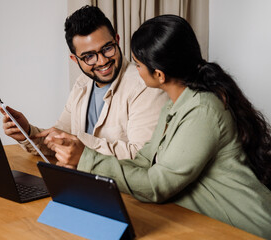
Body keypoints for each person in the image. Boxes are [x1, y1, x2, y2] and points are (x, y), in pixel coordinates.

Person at [47, 15, 271, 238]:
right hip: (204, 222)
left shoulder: (202, 111)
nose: (135, 70)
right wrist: (84, 163)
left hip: (245, 228)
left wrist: (86, 158)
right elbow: (143, 161)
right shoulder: (173, 106)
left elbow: (157, 185)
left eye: (138, 64)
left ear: (159, 75)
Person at [0, 6, 168, 161]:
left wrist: (79, 146)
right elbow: (60, 141)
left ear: (117, 40)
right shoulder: (82, 83)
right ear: (75, 59)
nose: (102, 61)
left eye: (108, 48)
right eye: (89, 56)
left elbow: (142, 156)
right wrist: (26, 132)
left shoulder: (146, 84)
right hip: (83, 182)